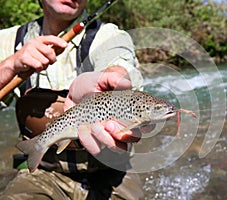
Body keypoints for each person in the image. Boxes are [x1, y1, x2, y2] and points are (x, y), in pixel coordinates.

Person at [0, 0, 146, 199]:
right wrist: (9, 66)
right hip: (44, 173)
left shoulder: (110, 37)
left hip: (112, 172)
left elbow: (120, 64)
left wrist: (114, 77)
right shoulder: (7, 41)